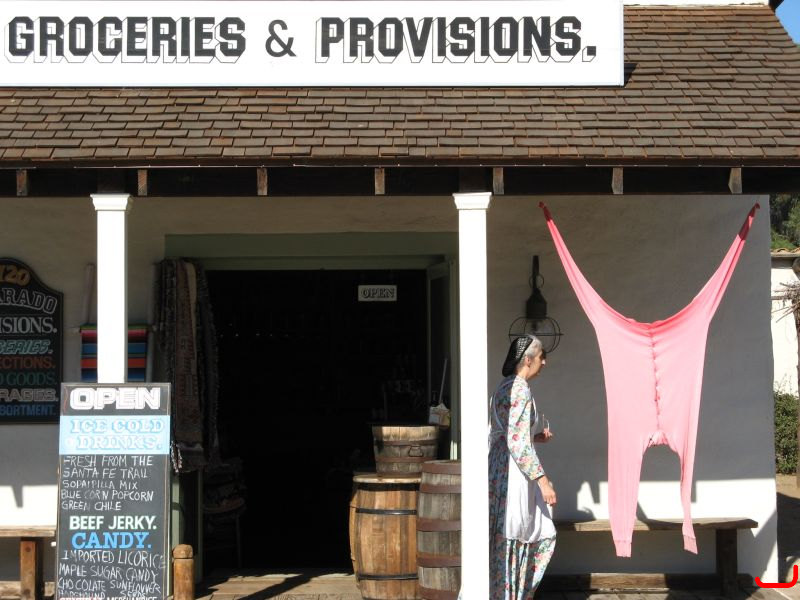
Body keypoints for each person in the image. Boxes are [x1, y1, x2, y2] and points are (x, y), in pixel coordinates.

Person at [489, 334, 556, 599]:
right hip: (512, 474)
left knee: (506, 534)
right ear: (527, 360)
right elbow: (516, 442)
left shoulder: (504, 387)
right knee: (520, 530)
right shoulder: (520, 389)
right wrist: (543, 481)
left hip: (500, 467)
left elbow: (508, 434)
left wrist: (534, 437)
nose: (544, 363)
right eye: (541, 357)